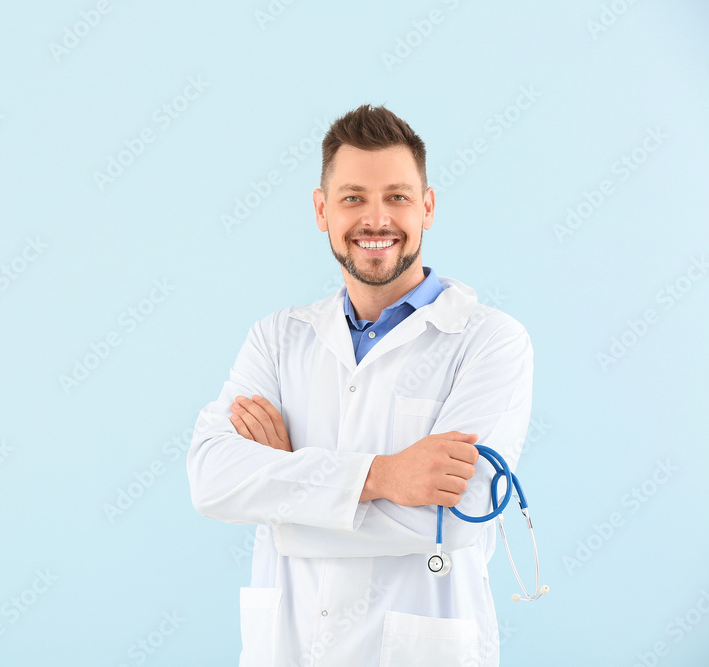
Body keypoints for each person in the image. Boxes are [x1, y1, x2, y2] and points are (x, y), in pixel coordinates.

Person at [186, 104, 533, 667]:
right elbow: (211, 478)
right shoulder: (278, 338)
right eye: (353, 198)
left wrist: (284, 496)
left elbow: (456, 515)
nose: (376, 219)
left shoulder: (490, 341)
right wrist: (385, 476)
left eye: (397, 196)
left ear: (428, 207)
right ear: (322, 211)